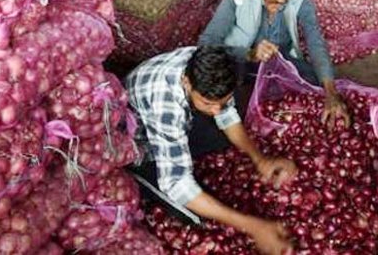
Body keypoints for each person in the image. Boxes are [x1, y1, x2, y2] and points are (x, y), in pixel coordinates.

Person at [125, 46, 297, 255]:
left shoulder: (211, 67)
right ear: (187, 83)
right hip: (136, 145)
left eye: (221, 102)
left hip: (174, 120)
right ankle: (136, 174)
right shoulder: (166, 104)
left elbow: (226, 114)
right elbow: (176, 183)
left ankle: (187, 149)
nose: (216, 109)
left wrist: (260, 159)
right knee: (191, 215)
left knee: (222, 135)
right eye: (208, 102)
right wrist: (254, 227)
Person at [199, 0, 351, 127]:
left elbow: (316, 44)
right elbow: (207, 43)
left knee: (319, 83)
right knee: (224, 107)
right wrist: (249, 54)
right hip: (238, 63)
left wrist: (331, 93)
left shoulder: (302, 2)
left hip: (281, 64)